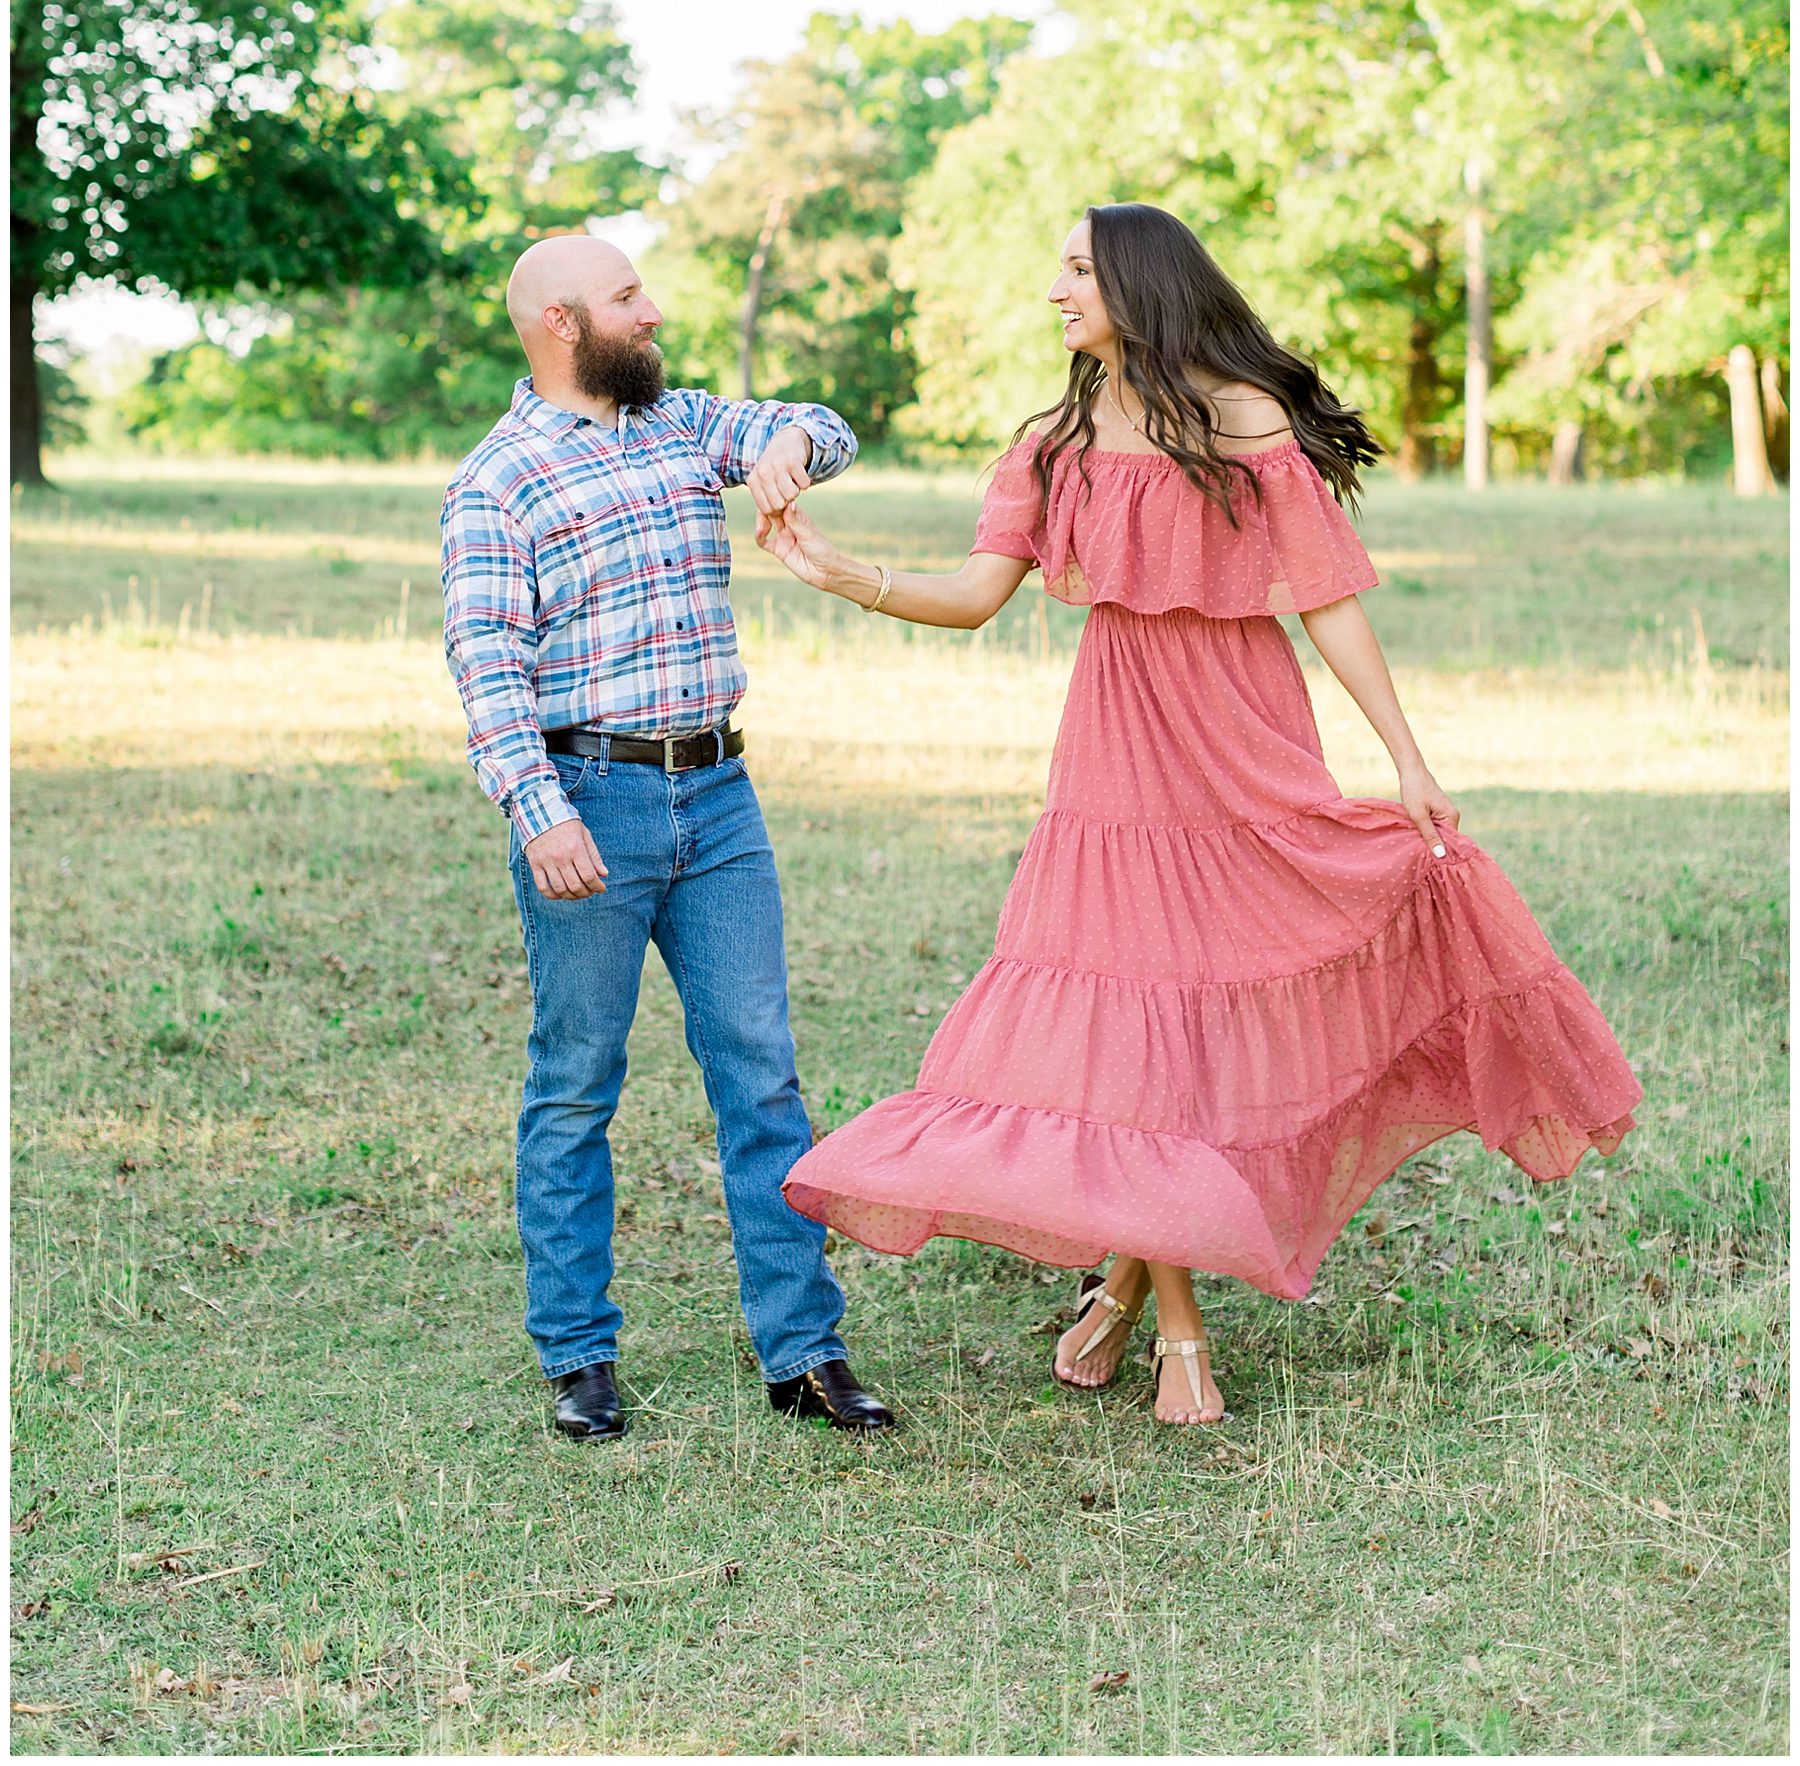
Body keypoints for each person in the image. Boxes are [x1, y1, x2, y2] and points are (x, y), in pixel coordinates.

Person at [754, 204, 1639, 1428]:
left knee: (1212, 1005)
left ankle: (1123, 1278)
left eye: (1077, 267)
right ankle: (1174, 1320)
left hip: (1243, 738)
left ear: (1138, 281)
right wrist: (843, 573)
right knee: (1130, 1018)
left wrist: (1407, 755)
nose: (1056, 287)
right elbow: (970, 596)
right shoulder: (1053, 439)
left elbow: (1327, 598)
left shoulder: (1245, 421)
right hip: (1117, 756)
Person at [440, 233, 895, 1441]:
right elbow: (487, 668)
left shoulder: (684, 422)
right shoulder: (499, 479)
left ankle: (805, 1352)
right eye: (628, 296)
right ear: (558, 322)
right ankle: (578, 1354)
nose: (656, 309)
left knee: (762, 1071)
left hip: (722, 799)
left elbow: (821, 424)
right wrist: (541, 815)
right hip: (593, 800)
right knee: (576, 1080)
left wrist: (792, 452)